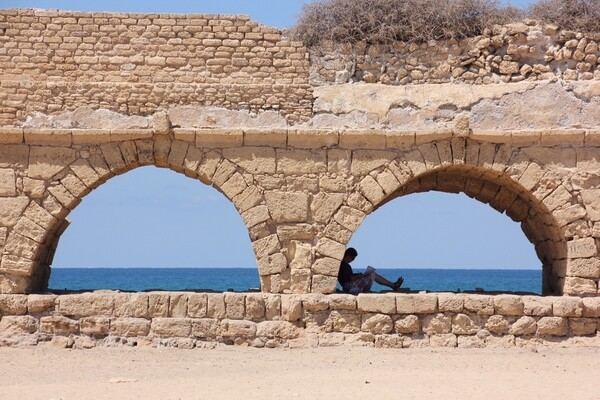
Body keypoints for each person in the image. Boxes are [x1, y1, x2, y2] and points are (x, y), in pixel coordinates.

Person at [337, 247, 404, 294]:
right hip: (348, 286)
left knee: (370, 274)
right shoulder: (344, 265)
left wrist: (359, 275)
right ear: (348, 255)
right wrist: (360, 275)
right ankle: (393, 285)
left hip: (346, 286)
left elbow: (347, 276)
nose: (352, 260)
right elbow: (349, 278)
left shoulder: (342, 264)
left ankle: (393, 285)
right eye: (352, 258)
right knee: (373, 274)